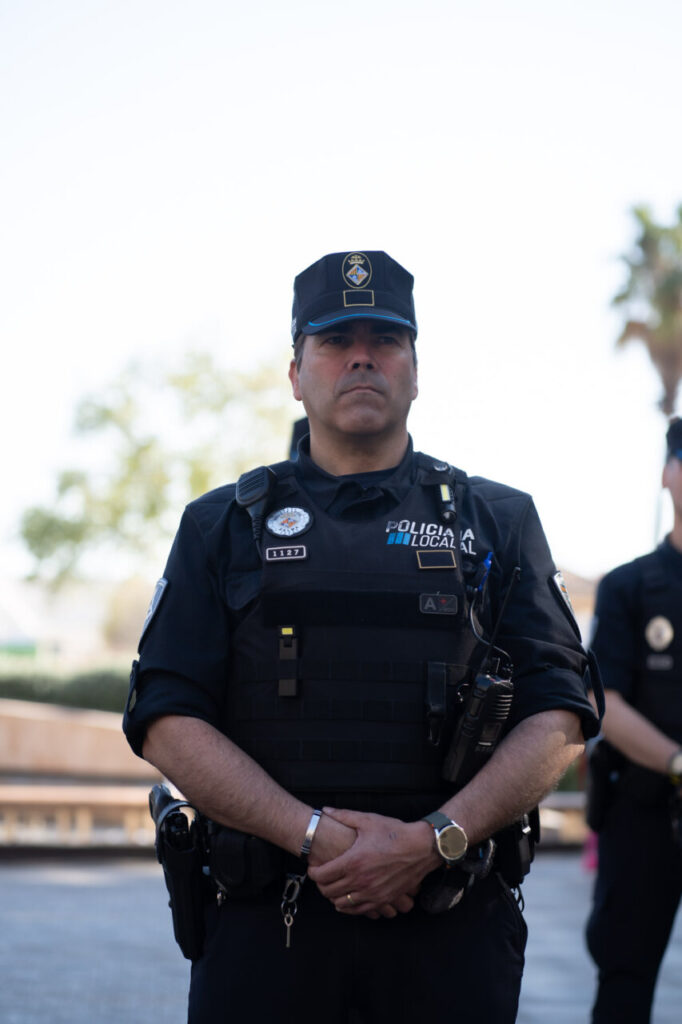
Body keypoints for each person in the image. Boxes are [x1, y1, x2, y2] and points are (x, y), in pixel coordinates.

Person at [123, 250, 602, 1024]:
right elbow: (165, 718)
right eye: (335, 340)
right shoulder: (219, 526)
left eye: (386, 340)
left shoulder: (496, 521)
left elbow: (560, 714)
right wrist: (313, 837)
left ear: (415, 369)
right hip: (266, 926)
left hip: (449, 926)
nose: (361, 357)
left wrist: (434, 841)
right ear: (295, 372)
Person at [586, 417, 682, 1024]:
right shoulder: (630, 587)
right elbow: (604, 704)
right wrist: (676, 762)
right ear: (670, 473)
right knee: (625, 979)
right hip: (646, 817)